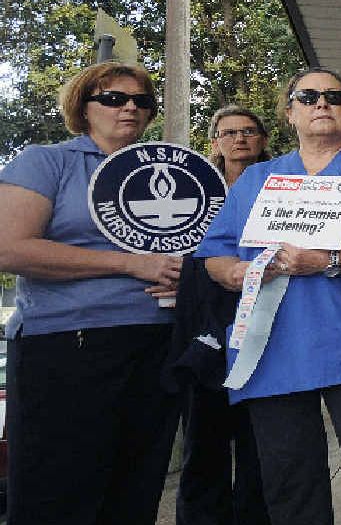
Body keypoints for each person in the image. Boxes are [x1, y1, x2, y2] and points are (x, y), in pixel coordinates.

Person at [195, 68, 341, 525]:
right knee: (289, 475)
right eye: (308, 96)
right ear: (289, 113)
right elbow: (215, 254)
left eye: (333, 96)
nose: (321, 103)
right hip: (271, 348)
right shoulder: (256, 179)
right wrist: (237, 272)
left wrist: (326, 261)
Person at [0, 62, 182, 525]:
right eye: (114, 98)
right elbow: (9, 248)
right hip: (68, 343)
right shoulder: (47, 161)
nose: (130, 108)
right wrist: (130, 263)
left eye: (141, 101)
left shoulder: (171, 170)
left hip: (156, 343)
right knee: (57, 493)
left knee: (135, 490)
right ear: (83, 108)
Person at [170, 106, 272, 525]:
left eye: (248, 130)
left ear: (263, 139)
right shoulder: (192, 191)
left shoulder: (283, 184)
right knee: (203, 439)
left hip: (266, 323)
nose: (239, 139)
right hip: (204, 327)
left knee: (260, 443)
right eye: (228, 133)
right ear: (215, 142)